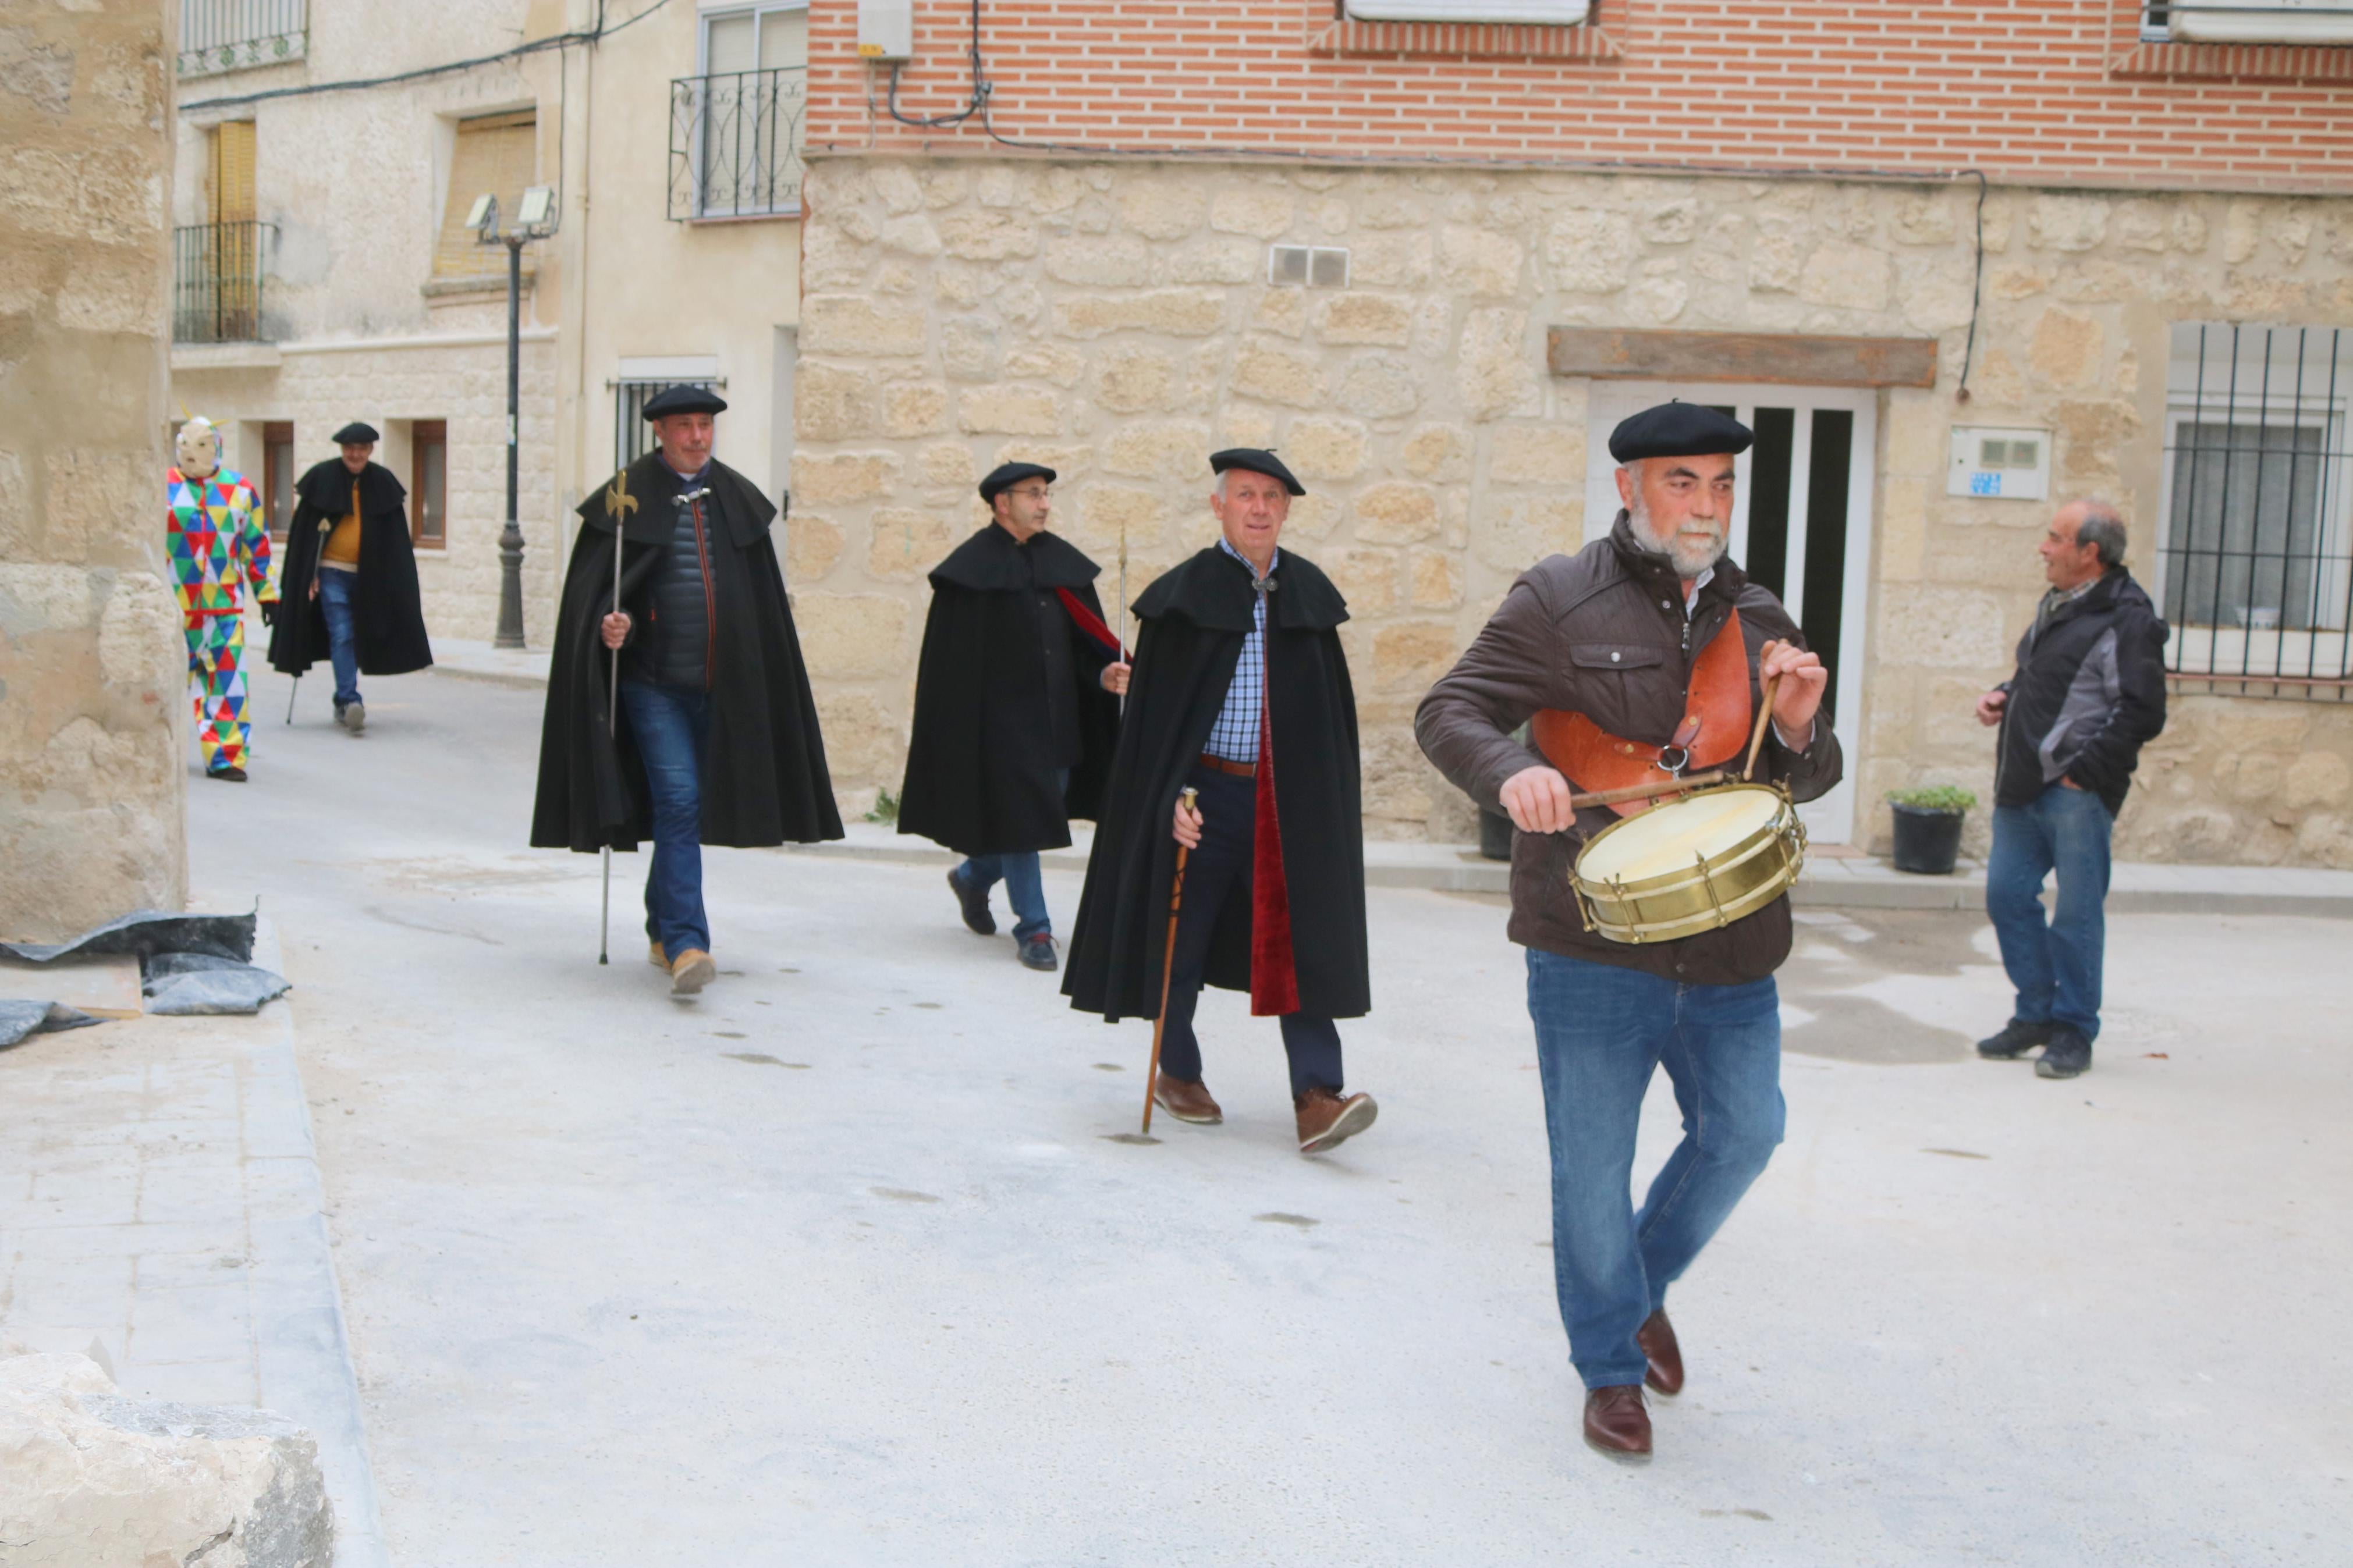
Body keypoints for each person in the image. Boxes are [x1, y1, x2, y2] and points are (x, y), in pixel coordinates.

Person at [1415, 402, 1840, 1460]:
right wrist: (1513, 772)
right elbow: (1448, 710)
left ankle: (1635, 1289)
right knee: (1591, 1167)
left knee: (1745, 1133)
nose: (1704, 506)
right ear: (1628, 490)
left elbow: (1805, 773)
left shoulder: (1758, 616)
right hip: (1590, 940)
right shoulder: (1557, 599)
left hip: (1734, 937)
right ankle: (1609, 1367)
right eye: (1681, 482)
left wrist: (1795, 725)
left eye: (1720, 485)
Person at [1063, 449, 1377, 1156]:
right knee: (1178, 946)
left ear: (1286, 509)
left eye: (1271, 496)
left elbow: (1326, 718)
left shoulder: (1309, 597)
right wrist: (1169, 793)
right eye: (1245, 495)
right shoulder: (1182, 597)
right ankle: (1178, 1072)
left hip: (1283, 803)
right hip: (1203, 799)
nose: (1259, 508)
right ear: (1219, 506)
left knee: (1295, 947)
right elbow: (1156, 721)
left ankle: (1318, 1096)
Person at [530, 385, 842, 995]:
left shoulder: (734, 499)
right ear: (659, 433)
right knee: (678, 799)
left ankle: (659, 925)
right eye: (684, 427)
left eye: (705, 425)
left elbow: (758, 603)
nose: (697, 436)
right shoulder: (624, 503)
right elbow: (595, 598)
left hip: (723, 689)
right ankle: (686, 942)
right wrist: (607, 625)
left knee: (684, 807)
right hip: (651, 686)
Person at [897, 463, 1131, 970]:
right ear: (1002, 503)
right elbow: (953, 669)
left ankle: (973, 877)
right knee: (1025, 823)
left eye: (1046, 494)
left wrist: (1104, 676)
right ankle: (1035, 928)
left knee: (1043, 809)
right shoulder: (970, 574)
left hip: (1060, 723)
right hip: (1000, 729)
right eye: (1033, 494)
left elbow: (1085, 646)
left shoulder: (1062, 565)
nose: (1045, 503)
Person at [1972, 500, 2167, 1080]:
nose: (2043, 547)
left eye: (2054, 538)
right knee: (2006, 897)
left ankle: (2073, 1031)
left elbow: (2142, 710)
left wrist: (2083, 770)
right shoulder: (2059, 601)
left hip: (2075, 794)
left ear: (2090, 553)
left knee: (2076, 916)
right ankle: (2034, 1014)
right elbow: (2055, 676)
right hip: (2020, 788)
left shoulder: (2128, 617)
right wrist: (2005, 693)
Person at [267, 421, 432, 731]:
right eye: (349, 449)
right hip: (332, 572)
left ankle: (342, 698)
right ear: (343, 450)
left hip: (369, 576)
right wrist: (309, 575)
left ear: (370, 451)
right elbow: (304, 538)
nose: (355, 455)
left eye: (361, 449)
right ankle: (349, 699)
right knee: (342, 632)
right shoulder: (322, 479)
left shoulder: (383, 483)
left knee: (357, 635)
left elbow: (395, 543)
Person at [166, 416, 276, 783]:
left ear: (217, 448)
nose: (193, 455)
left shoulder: (239, 490)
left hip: (223, 608)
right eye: (187, 446)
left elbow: (257, 546)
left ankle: (226, 756)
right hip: (172, 607)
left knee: (228, 686)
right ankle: (156, 753)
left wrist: (268, 594)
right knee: (163, 683)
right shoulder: (161, 487)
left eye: (202, 447)